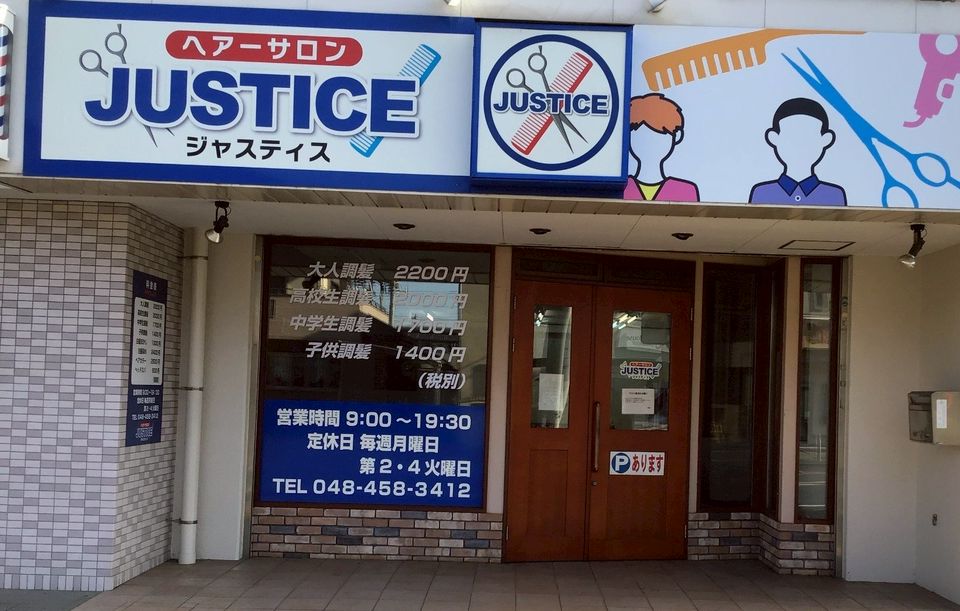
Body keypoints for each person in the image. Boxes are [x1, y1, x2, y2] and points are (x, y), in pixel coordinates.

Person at [749, 97, 846, 206]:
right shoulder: (761, 193)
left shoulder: (834, 195)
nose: (800, 143)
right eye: (791, 135)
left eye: (809, 136)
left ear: (825, 139)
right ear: (774, 138)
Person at [623, 94, 699, 202]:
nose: (650, 144)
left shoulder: (686, 190)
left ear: (677, 137)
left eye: (660, 135)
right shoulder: (620, 188)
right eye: (643, 136)